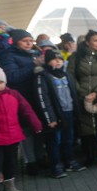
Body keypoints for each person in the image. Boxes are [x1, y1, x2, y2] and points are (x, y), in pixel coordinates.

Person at [0, 28, 47, 173]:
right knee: (27, 130)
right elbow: (11, 77)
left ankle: (40, 156)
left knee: (39, 128)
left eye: (31, 41)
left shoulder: (34, 53)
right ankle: (30, 161)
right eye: (25, 41)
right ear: (16, 42)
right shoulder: (8, 56)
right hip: (21, 97)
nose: (29, 44)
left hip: (37, 96)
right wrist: (34, 64)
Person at [67, 30, 97, 166]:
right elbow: (70, 75)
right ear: (87, 43)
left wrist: (95, 92)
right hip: (81, 95)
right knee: (85, 125)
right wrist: (80, 91)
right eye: (95, 40)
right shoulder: (76, 57)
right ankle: (89, 155)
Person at [34, 50, 84, 178]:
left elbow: (74, 94)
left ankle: (70, 161)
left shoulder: (67, 75)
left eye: (60, 59)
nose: (58, 62)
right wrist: (49, 118)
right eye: (54, 59)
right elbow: (42, 98)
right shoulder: (43, 76)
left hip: (69, 112)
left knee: (68, 139)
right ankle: (56, 166)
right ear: (47, 61)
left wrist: (76, 113)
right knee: (54, 141)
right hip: (55, 116)